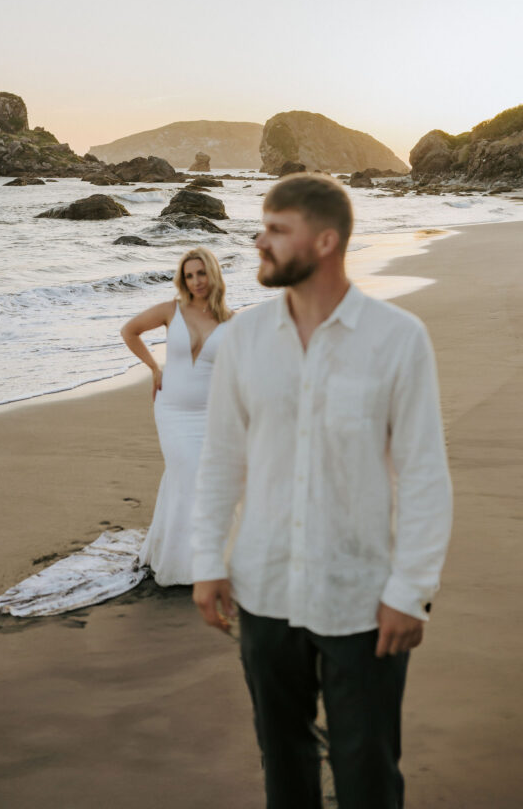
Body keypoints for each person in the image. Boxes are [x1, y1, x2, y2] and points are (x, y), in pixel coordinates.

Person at [191, 174, 453, 809]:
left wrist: (411, 592)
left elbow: (423, 474)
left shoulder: (397, 338)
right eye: (263, 227)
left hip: (363, 600)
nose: (259, 241)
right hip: (263, 591)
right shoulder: (243, 341)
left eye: (277, 230)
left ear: (327, 240)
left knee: (368, 772)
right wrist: (206, 562)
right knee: (283, 765)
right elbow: (221, 457)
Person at [121, 246, 233, 587]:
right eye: (189, 275)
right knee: (188, 473)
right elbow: (130, 331)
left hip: (210, 415)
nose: (196, 281)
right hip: (172, 410)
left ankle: (190, 556)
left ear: (213, 273)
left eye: (201, 273)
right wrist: (154, 367)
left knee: (196, 481)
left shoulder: (232, 321)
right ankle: (184, 566)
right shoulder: (172, 310)